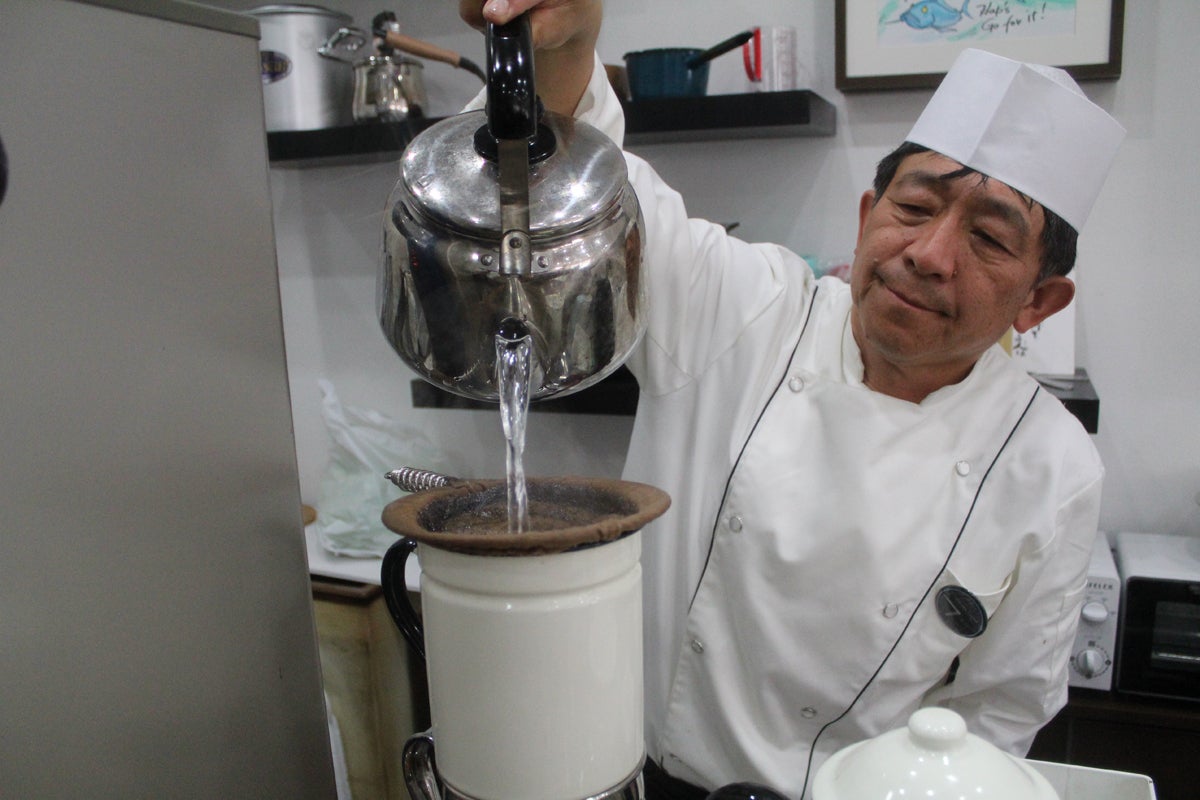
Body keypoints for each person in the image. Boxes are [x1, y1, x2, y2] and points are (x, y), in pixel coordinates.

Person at [461, 2, 1125, 798]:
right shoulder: (746, 308)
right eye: (914, 208)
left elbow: (997, 716)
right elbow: (588, 191)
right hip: (635, 775)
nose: (929, 254)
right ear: (867, 217)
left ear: (1038, 302)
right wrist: (566, 42)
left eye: (987, 238)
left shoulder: (1053, 467)